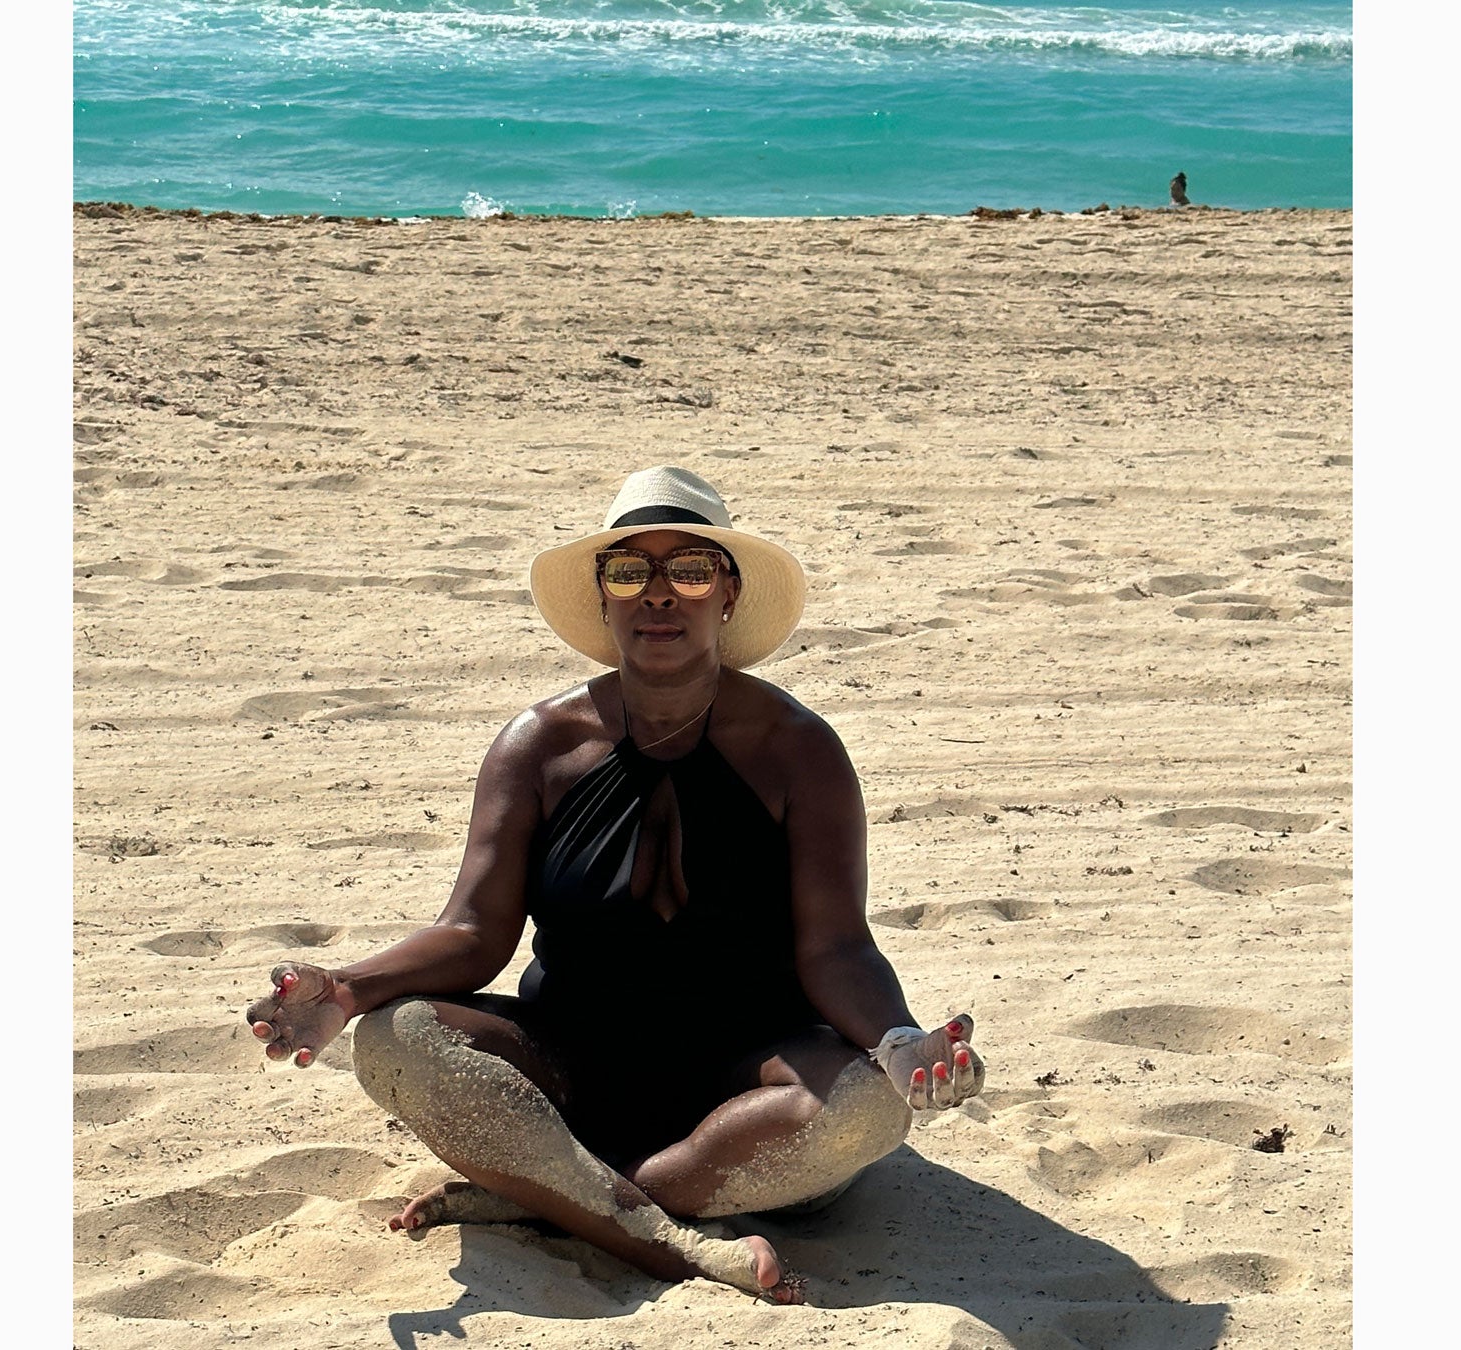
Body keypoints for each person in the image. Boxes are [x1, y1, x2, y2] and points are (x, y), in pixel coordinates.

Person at [245, 465, 985, 1304]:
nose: (659, 594)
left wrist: (898, 1041)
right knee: (393, 1037)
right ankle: (668, 1242)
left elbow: (837, 948)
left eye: (690, 570)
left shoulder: (799, 750)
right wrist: (347, 988)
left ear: (729, 594)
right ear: (603, 597)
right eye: (630, 571)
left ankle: (560, 1196)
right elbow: (475, 933)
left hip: (747, 1090)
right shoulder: (539, 745)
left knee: (869, 1108)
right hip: (572, 1075)